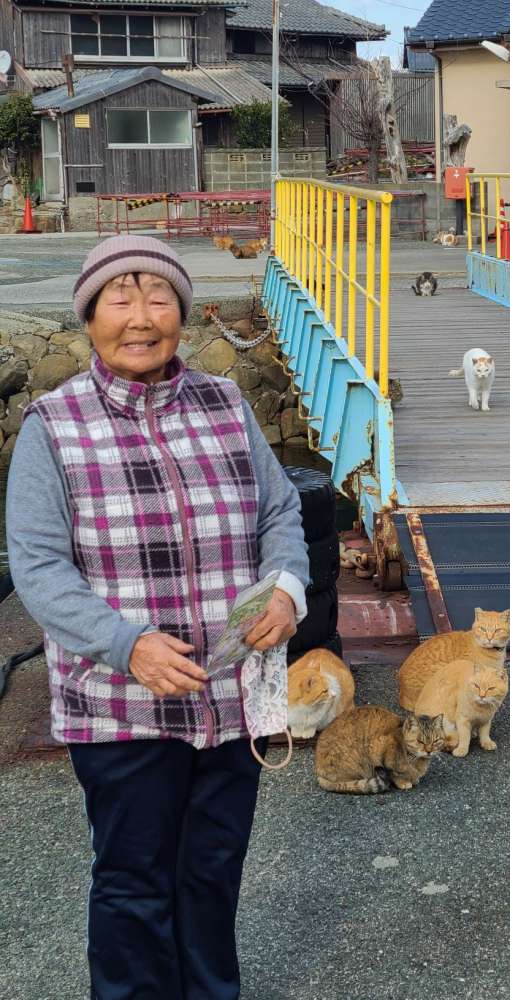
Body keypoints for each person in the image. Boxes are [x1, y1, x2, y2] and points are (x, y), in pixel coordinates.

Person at [6, 235, 309, 1000]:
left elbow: (278, 511)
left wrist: (287, 588)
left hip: (229, 696)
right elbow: (38, 567)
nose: (140, 318)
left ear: (180, 311)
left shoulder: (225, 400)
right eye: (120, 298)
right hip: (120, 707)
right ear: (89, 315)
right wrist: (124, 643)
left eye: (158, 298)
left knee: (211, 873)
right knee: (134, 882)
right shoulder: (54, 424)